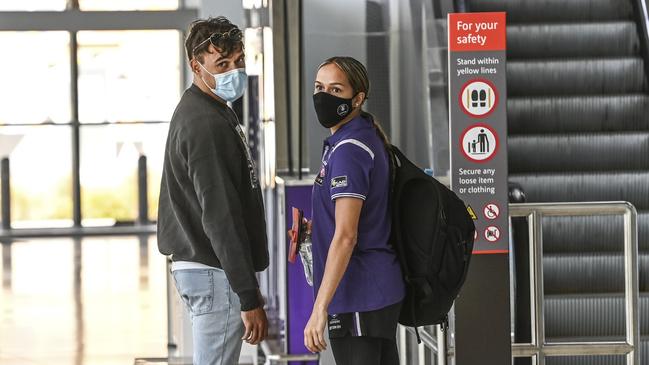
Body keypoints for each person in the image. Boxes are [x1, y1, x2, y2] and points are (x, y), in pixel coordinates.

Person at [157, 16, 269, 365]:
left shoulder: (207, 110)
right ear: (196, 65)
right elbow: (220, 214)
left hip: (205, 269)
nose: (233, 71)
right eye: (222, 64)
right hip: (214, 272)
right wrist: (248, 297)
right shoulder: (204, 123)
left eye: (238, 61)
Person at [304, 56, 406, 365]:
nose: (324, 96)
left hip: (357, 294)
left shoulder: (350, 149)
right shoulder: (357, 138)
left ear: (357, 98)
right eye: (319, 87)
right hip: (373, 290)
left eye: (336, 90)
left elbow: (347, 236)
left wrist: (320, 308)